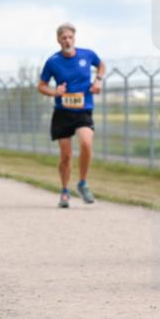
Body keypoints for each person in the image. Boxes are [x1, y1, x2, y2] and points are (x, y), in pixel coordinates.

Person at [38, 22, 105, 208]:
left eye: (70, 37)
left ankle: (82, 183)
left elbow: (101, 65)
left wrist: (98, 81)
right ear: (58, 40)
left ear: (74, 38)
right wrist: (54, 92)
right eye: (63, 38)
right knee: (66, 156)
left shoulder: (87, 54)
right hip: (62, 112)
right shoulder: (53, 61)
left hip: (84, 109)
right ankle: (65, 190)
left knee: (86, 142)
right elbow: (41, 86)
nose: (67, 40)